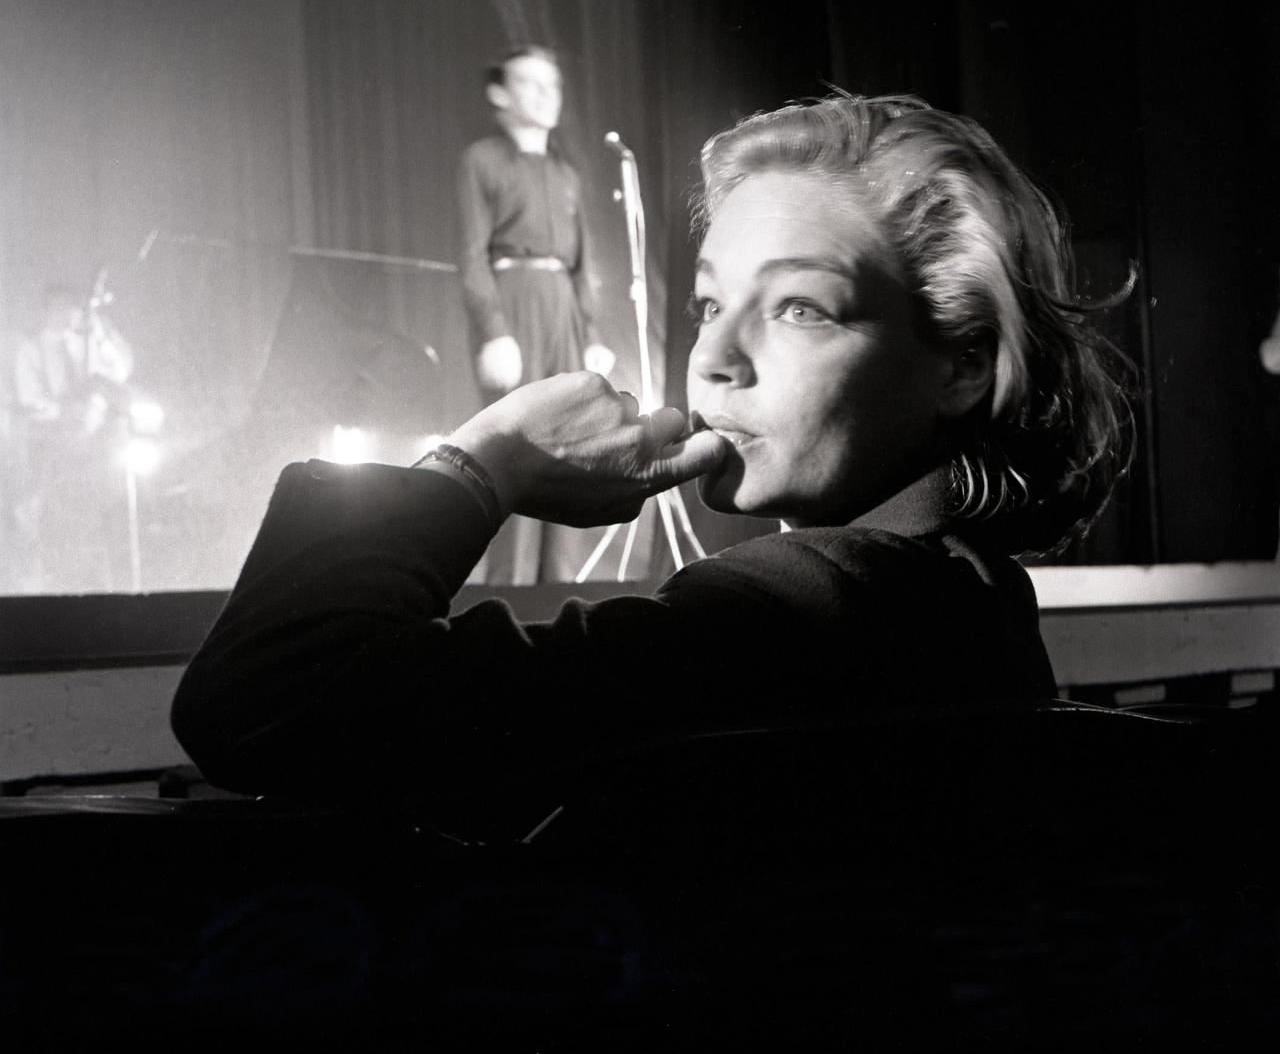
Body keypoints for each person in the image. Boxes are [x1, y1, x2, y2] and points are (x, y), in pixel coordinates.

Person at [172, 93, 1131, 818]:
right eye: (711, 304)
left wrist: (485, 457)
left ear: (963, 363)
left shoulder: (811, 608)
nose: (712, 357)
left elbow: (267, 695)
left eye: (798, 306)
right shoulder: (967, 597)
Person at [456, 44, 616, 583]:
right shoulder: (482, 160)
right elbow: (472, 253)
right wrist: (494, 332)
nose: (547, 96)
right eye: (531, 84)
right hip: (515, 299)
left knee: (568, 444)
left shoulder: (567, 174)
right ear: (500, 94)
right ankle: (506, 593)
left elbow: (584, 259)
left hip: (564, 309)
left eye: (553, 85)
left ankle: (558, 592)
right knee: (514, 447)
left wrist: (591, 332)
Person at [11, 278, 135, 591]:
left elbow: (120, 370)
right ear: (47, 310)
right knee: (55, 523)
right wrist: (69, 414)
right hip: (53, 452)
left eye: (74, 307)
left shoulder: (91, 342)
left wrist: (102, 336)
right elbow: (30, 399)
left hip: (96, 451)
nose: (68, 314)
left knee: (101, 520)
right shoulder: (32, 349)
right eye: (61, 307)